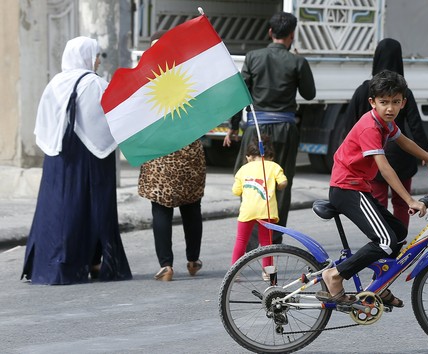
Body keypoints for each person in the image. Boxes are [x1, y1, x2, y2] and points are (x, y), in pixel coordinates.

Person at [317, 70, 428, 306]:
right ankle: (335, 275)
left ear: (403, 102)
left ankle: (379, 284)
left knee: (399, 233)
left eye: (395, 102)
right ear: (373, 102)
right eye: (383, 102)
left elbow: (405, 142)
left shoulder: (386, 124)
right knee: (385, 241)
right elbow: (384, 168)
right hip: (347, 188)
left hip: (359, 188)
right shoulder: (370, 127)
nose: (389, 108)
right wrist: (409, 199)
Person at [21, 36, 132, 285]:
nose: (98, 61)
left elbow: (44, 122)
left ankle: (53, 262)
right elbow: (108, 117)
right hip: (89, 157)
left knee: (58, 206)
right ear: (85, 56)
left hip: (57, 156)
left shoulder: (55, 83)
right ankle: (93, 262)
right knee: (93, 206)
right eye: (96, 56)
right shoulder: (94, 84)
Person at [223, 11, 316, 245]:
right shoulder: (297, 61)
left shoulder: (253, 57)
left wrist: (233, 127)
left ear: (270, 32)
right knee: (280, 184)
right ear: (292, 35)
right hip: (285, 128)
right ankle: (273, 240)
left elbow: (240, 95)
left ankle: (253, 242)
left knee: (248, 180)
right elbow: (309, 94)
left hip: (257, 129)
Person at [137, 30, 206, 282]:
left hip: (159, 151)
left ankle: (166, 265)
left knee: (161, 208)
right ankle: (193, 260)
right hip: (189, 150)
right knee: (191, 206)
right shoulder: (189, 75)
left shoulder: (144, 79)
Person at [346, 38, 428, 228]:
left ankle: (384, 243)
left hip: (373, 155)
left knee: (378, 202)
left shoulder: (364, 89)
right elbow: (415, 123)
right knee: (403, 203)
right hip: (401, 154)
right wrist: (426, 151)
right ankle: (398, 245)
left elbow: (350, 125)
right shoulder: (403, 91)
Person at [231, 136, 287, 270]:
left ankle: (234, 271)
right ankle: (267, 271)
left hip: (247, 211)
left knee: (241, 241)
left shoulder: (243, 169)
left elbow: (236, 191)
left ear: (248, 156)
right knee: (266, 242)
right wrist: (278, 187)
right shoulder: (274, 166)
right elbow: (283, 182)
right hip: (266, 211)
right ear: (271, 156)